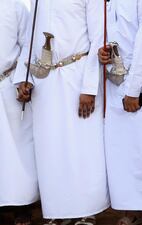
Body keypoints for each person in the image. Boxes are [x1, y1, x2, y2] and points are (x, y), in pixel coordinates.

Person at [14, 0, 109, 224]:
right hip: (44, 80)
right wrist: (23, 78)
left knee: (82, 148)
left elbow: (98, 37)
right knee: (50, 149)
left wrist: (89, 88)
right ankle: (56, 212)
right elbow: (29, 38)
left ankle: (87, 212)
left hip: (77, 76)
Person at [98, 0, 142, 224]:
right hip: (113, 81)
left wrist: (133, 89)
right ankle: (129, 209)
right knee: (119, 149)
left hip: (139, 82)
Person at [0, 0, 38, 224]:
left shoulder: (13, 5)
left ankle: (22, 205)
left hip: (7, 82)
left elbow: (27, 45)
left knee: (17, 149)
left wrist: (21, 80)